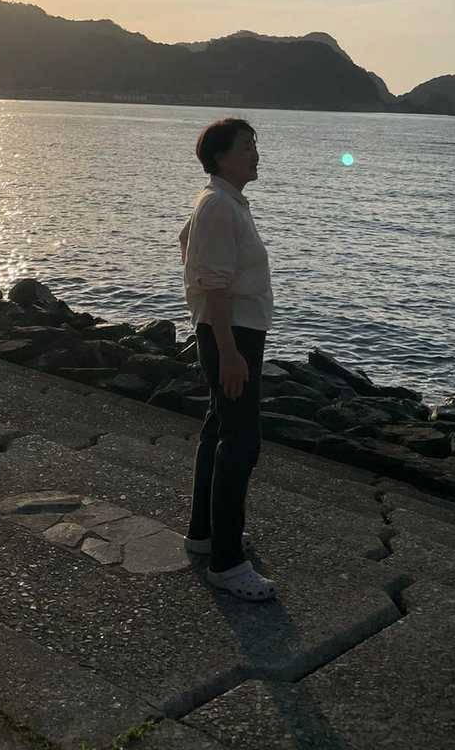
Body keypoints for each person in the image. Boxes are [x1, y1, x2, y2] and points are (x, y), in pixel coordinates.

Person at [178, 116, 276, 602]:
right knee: (241, 442)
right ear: (219, 157)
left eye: (255, 145)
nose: (255, 154)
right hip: (232, 334)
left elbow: (186, 247)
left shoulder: (222, 201)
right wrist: (230, 352)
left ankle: (205, 533)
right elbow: (213, 284)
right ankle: (228, 563)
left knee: (219, 429)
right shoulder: (219, 205)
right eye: (244, 147)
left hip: (229, 331)